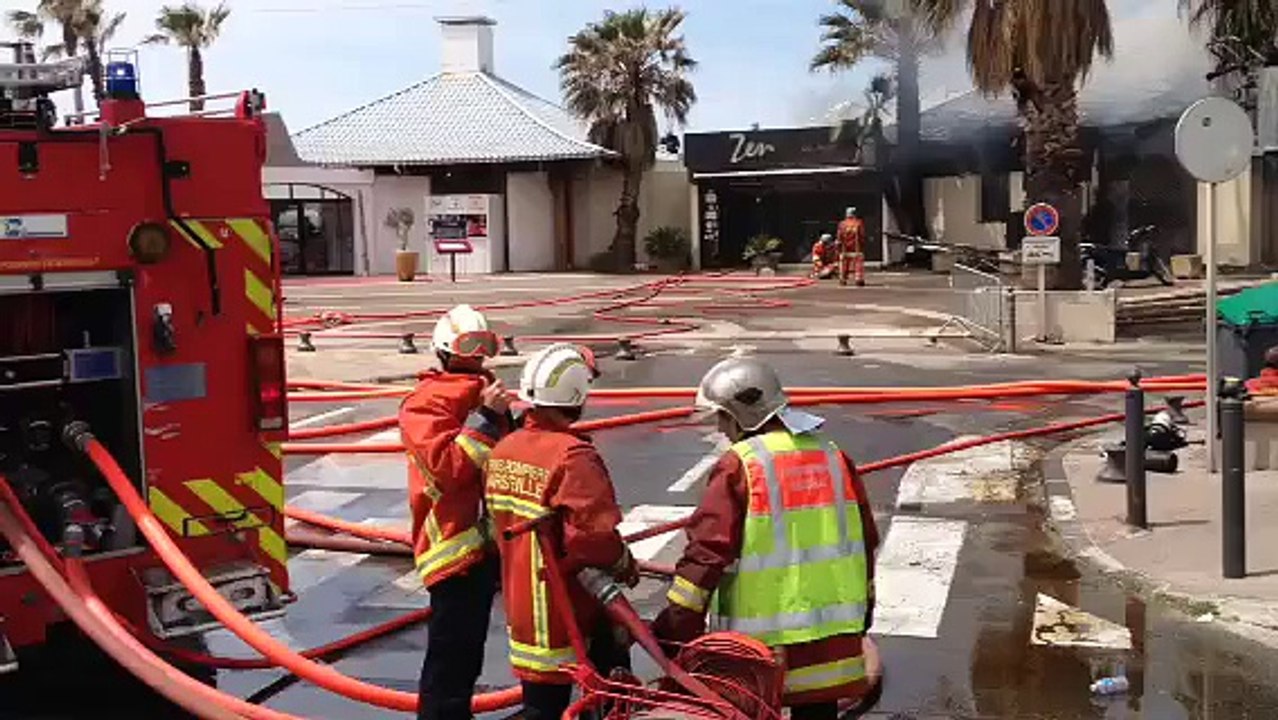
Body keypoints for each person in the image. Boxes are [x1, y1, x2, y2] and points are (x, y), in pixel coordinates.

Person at [652, 357, 879, 720]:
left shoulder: (741, 464)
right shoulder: (834, 456)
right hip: (831, 644)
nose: (723, 431)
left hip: (761, 651)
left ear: (740, 415)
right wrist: (863, 616)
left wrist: (676, 627)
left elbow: (706, 554)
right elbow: (865, 543)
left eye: (723, 419)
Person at [484, 343, 640, 720]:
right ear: (577, 396)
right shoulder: (573, 456)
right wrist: (623, 562)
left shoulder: (503, 449)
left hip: (523, 609)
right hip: (570, 611)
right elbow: (594, 540)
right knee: (611, 698)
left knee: (541, 707)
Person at [399, 304, 512, 720]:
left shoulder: (485, 390)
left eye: (482, 352)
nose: (477, 361)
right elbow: (447, 470)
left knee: (468, 658)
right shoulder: (425, 405)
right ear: (446, 351)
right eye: (470, 351)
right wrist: (485, 417)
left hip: (488, 546)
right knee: (450, 665)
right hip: (452, 551)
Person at [836, 206, 866, 287]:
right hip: (856, 248)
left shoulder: (842, 224)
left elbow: (839, 236)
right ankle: (858, 279)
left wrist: (839, 247)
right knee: (858, 264)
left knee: (843, 264)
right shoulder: (859, 223)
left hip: (844, 248)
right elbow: (862, 235)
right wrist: (862, 245)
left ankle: (843, 279)